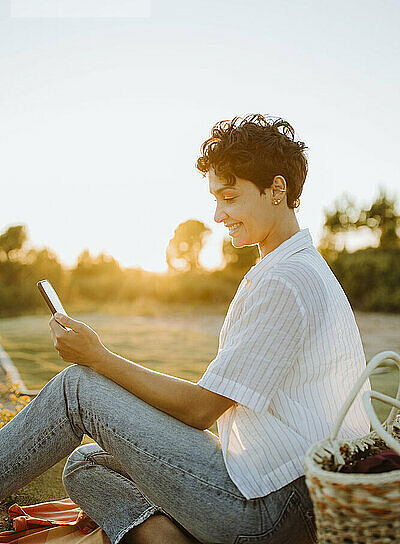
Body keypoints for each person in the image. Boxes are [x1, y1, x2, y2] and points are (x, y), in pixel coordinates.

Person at [0, 114, 371, 544]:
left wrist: (98, 357)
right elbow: (211, 406)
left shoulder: (287, 281)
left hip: (275, 512)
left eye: (229, 197)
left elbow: (200, 410)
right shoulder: (290, 267)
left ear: (276, 189)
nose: (218, 214)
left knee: (78, 389)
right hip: (272, 486)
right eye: (216, 199)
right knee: (86, 465)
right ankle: (166, 535)